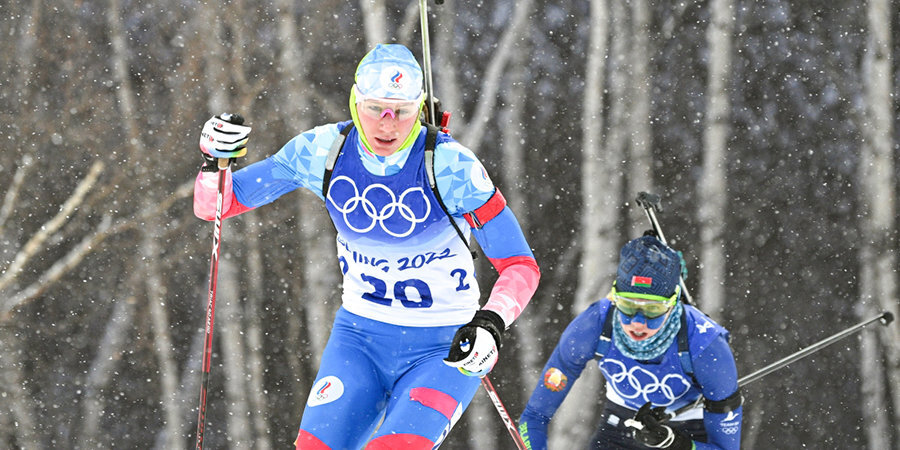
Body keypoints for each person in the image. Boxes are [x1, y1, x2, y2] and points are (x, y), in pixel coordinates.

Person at [193, 43, 540, 449]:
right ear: (356, 102)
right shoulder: (322, 151)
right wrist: (213, 161)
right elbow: (217, 205)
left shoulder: (451, 167)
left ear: (420, 108)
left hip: (442, 348)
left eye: (402, 111)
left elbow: (520, 266)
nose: (388, 125)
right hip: (358, 340)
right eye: (376, 108)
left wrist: (492, 324)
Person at [517, 235, 741, 450]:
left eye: (653, 309)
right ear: (614, 297)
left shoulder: (707, 346)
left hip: (689, 434)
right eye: (627, 306)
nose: (638, 322)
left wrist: (672, 443)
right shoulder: (594, 325)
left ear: (673, 304)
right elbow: (535, 416)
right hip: (619, 431)